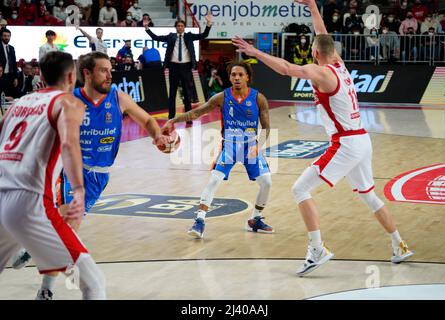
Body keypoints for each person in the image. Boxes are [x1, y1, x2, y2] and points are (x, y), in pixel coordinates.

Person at [232, 0, 414, 277]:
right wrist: (313, 7)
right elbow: (322, 34)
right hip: (362, 139)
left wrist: (254, 51)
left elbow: (285, 68)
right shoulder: (339, 63)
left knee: (299, 190)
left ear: (315, 52)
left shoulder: (321, 72)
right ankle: (399, 244)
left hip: (346, 143)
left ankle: (317, 249)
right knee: (369, 196)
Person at [11, 51, 172, 299]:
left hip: (100, 176)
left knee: (66, 228)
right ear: (86, 74)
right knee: (68, 225)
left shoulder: (118, 97)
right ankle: (45, 289)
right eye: (103, 70)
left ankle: (38, 249)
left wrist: (157, 135)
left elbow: (148, 120)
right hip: (70, 171)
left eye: (110, 70)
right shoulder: (68, 100)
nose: (110, 75)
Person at [0, 51, 106, 300]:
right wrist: (79, 191)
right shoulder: (68, 102)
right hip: (29, 202)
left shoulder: (16, 105)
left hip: (1, 194)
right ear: (72, 76)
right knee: (93, 283)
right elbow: (69, 144)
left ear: (40, 75)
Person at [162, 61, 273, 239]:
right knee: (214, 180)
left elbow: (266, 128)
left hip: (250, 146)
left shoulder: (258, 98)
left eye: (240, 75)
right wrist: (173, 121)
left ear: (248, 78)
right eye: (233, 75)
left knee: (267, 183)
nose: (236, 78)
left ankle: (255, 219)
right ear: (229, 78)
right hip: (229, 144)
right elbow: (196, 113)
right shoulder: (221, 97)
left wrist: (259, 145)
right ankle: (199, 221)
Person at [145, 14, 212, 121]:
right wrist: (147, 28)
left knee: (187, 93)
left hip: (186, 67)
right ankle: (171, 117)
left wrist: (208, 24)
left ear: (184, 27)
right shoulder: (171, 37)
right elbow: (155, 38)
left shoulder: (189, 36)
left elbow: (204, 35)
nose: (180, 27)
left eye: (182, 26)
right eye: (178, 26)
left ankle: (188, 117)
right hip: (173, 67)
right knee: (172, 93)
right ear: (176, 27)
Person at [0, 29, 18, 98]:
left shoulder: (11, 48)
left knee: (9, 96)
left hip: (10, 77)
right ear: (1, 36)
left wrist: (15, 77)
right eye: (5, 36)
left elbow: (14, 63)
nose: (7, 38)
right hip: (1, 75)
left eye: (8, 36)